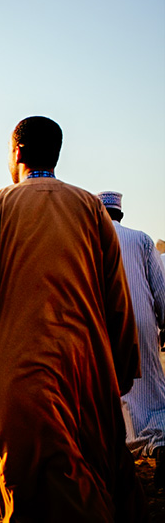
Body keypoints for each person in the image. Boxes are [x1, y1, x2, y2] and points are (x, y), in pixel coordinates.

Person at [0, 117, 147, 521]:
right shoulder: (90, 207)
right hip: (84, 367)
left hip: (16, 371)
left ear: (16, 153)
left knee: (27, 474)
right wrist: (122, 365)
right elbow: (117, 299)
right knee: (87, 463)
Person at [98, 191, 165, 488]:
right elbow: (159, 288)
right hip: (141, 323)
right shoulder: (141, 239)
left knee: (107, 393)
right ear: (120, 213)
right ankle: (160, 446)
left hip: (101, 325)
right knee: (150, 388)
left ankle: (117, 459)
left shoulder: (89, 241)